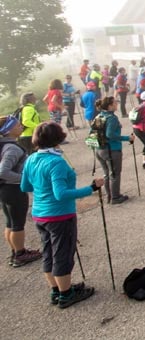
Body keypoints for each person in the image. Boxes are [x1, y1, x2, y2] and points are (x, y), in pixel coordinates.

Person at [20, 121, 103, 308]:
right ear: (57, 138)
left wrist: (42, 188)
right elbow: (61, 194)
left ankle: (56, 289)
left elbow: (25, 186)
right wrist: (91, 188)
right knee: (62, 255)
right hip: (59, 215)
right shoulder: (56, 162)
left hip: (40, 214)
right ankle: (66, 294)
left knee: (49, 252)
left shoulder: (31, 159)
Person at [0, 115, 42, 267]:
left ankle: (15, 251)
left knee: (10, 222)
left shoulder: (4, 145)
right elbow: (3, 172)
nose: (21, 126)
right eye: (17, 125)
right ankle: (20, 254)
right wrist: (24, 179)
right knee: (17, 223)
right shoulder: (11, 148)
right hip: (14, 189)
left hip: (5, 190)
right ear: (8, 130)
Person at [91, 97, 134, 204]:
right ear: (110, 106)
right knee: (115, 174)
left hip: (99, 149)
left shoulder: (99, 116)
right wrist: (127, 138)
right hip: (112, 149)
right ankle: (115, 197)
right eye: (115, 103)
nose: (117, 104)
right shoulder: (112, 118)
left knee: (107, 173)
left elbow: (92, 132)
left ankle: (109, 196)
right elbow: (110, 134)